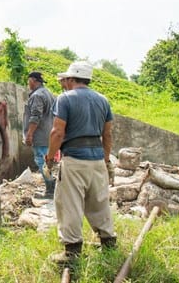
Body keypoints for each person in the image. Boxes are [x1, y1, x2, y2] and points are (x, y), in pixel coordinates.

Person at [46, 61, 117, 263]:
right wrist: (105, 159)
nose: (63, 83)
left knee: (69, 204)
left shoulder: (65, 99)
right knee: (99, 202)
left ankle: (72, 252)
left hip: (74, 159)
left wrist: (50, 158)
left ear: (70, 79)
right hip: (97, 159)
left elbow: (57, 132)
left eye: (64, 80)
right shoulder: (103, 100)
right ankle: (108, 243)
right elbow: (108, 133)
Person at [22, 71, 56, 199]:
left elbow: (35, 116)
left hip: (40, 135)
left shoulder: (37, 96)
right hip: (49, 134)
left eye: (28, 81)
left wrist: (30, 134)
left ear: (33, 80)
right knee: (46, 161)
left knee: (41, 161)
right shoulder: (48, 93)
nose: (28, 84)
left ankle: (50, 190)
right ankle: (51, 188)